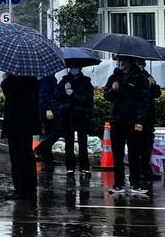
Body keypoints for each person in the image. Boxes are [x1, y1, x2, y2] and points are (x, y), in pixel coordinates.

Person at [103, 56, 156, 197]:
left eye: (124, 60)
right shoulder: (114, 77)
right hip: (117, 120)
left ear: (131, 61)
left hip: (133, 122)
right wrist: (113, 90)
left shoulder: (140, 78)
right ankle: (118, 183)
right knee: (118, 154)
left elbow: (144, 102)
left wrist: (140, 121)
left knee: (134, 154)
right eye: (119, 60)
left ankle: (135, 183)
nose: (121, 63)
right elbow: (107, 96)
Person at [1, 74, 40, 201]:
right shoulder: (32, 78)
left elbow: (9, 93)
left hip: (16, 124)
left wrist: (5, 80)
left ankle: (21, 190)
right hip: (28, 124)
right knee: (28, 156)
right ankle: (30, 189)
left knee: (18, 158)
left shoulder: (12, 80)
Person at [54, 64, 95, 177]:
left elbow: (88, 98)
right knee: (69, 141)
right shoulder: (64, 81)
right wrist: (64, 92)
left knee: (82, 141)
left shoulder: (86, 81)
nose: (74, 68)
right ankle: (70, 167)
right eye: (72, 66)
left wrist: (73, 94)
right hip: (67, 115)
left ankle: (84, 167)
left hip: (82, 115)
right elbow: (57, 96)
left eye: (75, 66)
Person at [33, 75, 60, 168]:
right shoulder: (46, 79)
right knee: (57, 130)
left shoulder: (46, 78)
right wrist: (48, 109)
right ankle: (40, 149)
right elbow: (43, 95)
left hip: (46, 109)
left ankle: (48, 157)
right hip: (48, 110)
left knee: (48, 132)